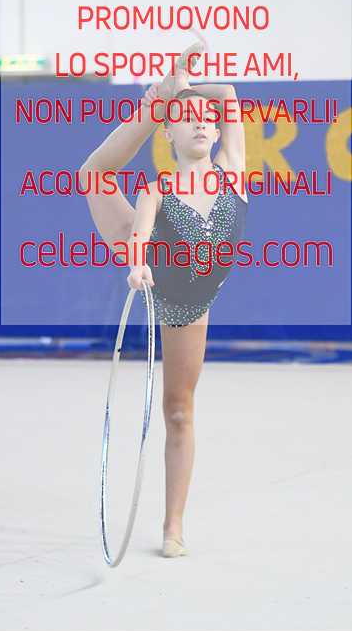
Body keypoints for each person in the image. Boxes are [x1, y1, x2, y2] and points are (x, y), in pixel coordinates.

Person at [80, 43, 247, 558]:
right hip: (150, 263)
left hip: (190, 305)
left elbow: (229, 94)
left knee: (178, 411)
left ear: (217, 131)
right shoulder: (156, 191)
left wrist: (185, 84)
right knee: (92, 175)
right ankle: (153, 100)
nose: (201, 122)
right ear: (167, 131)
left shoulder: (233, 172)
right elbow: (135, 229)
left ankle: (173, 526)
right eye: (186, 117)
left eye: (207, 119)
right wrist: (163, 97)